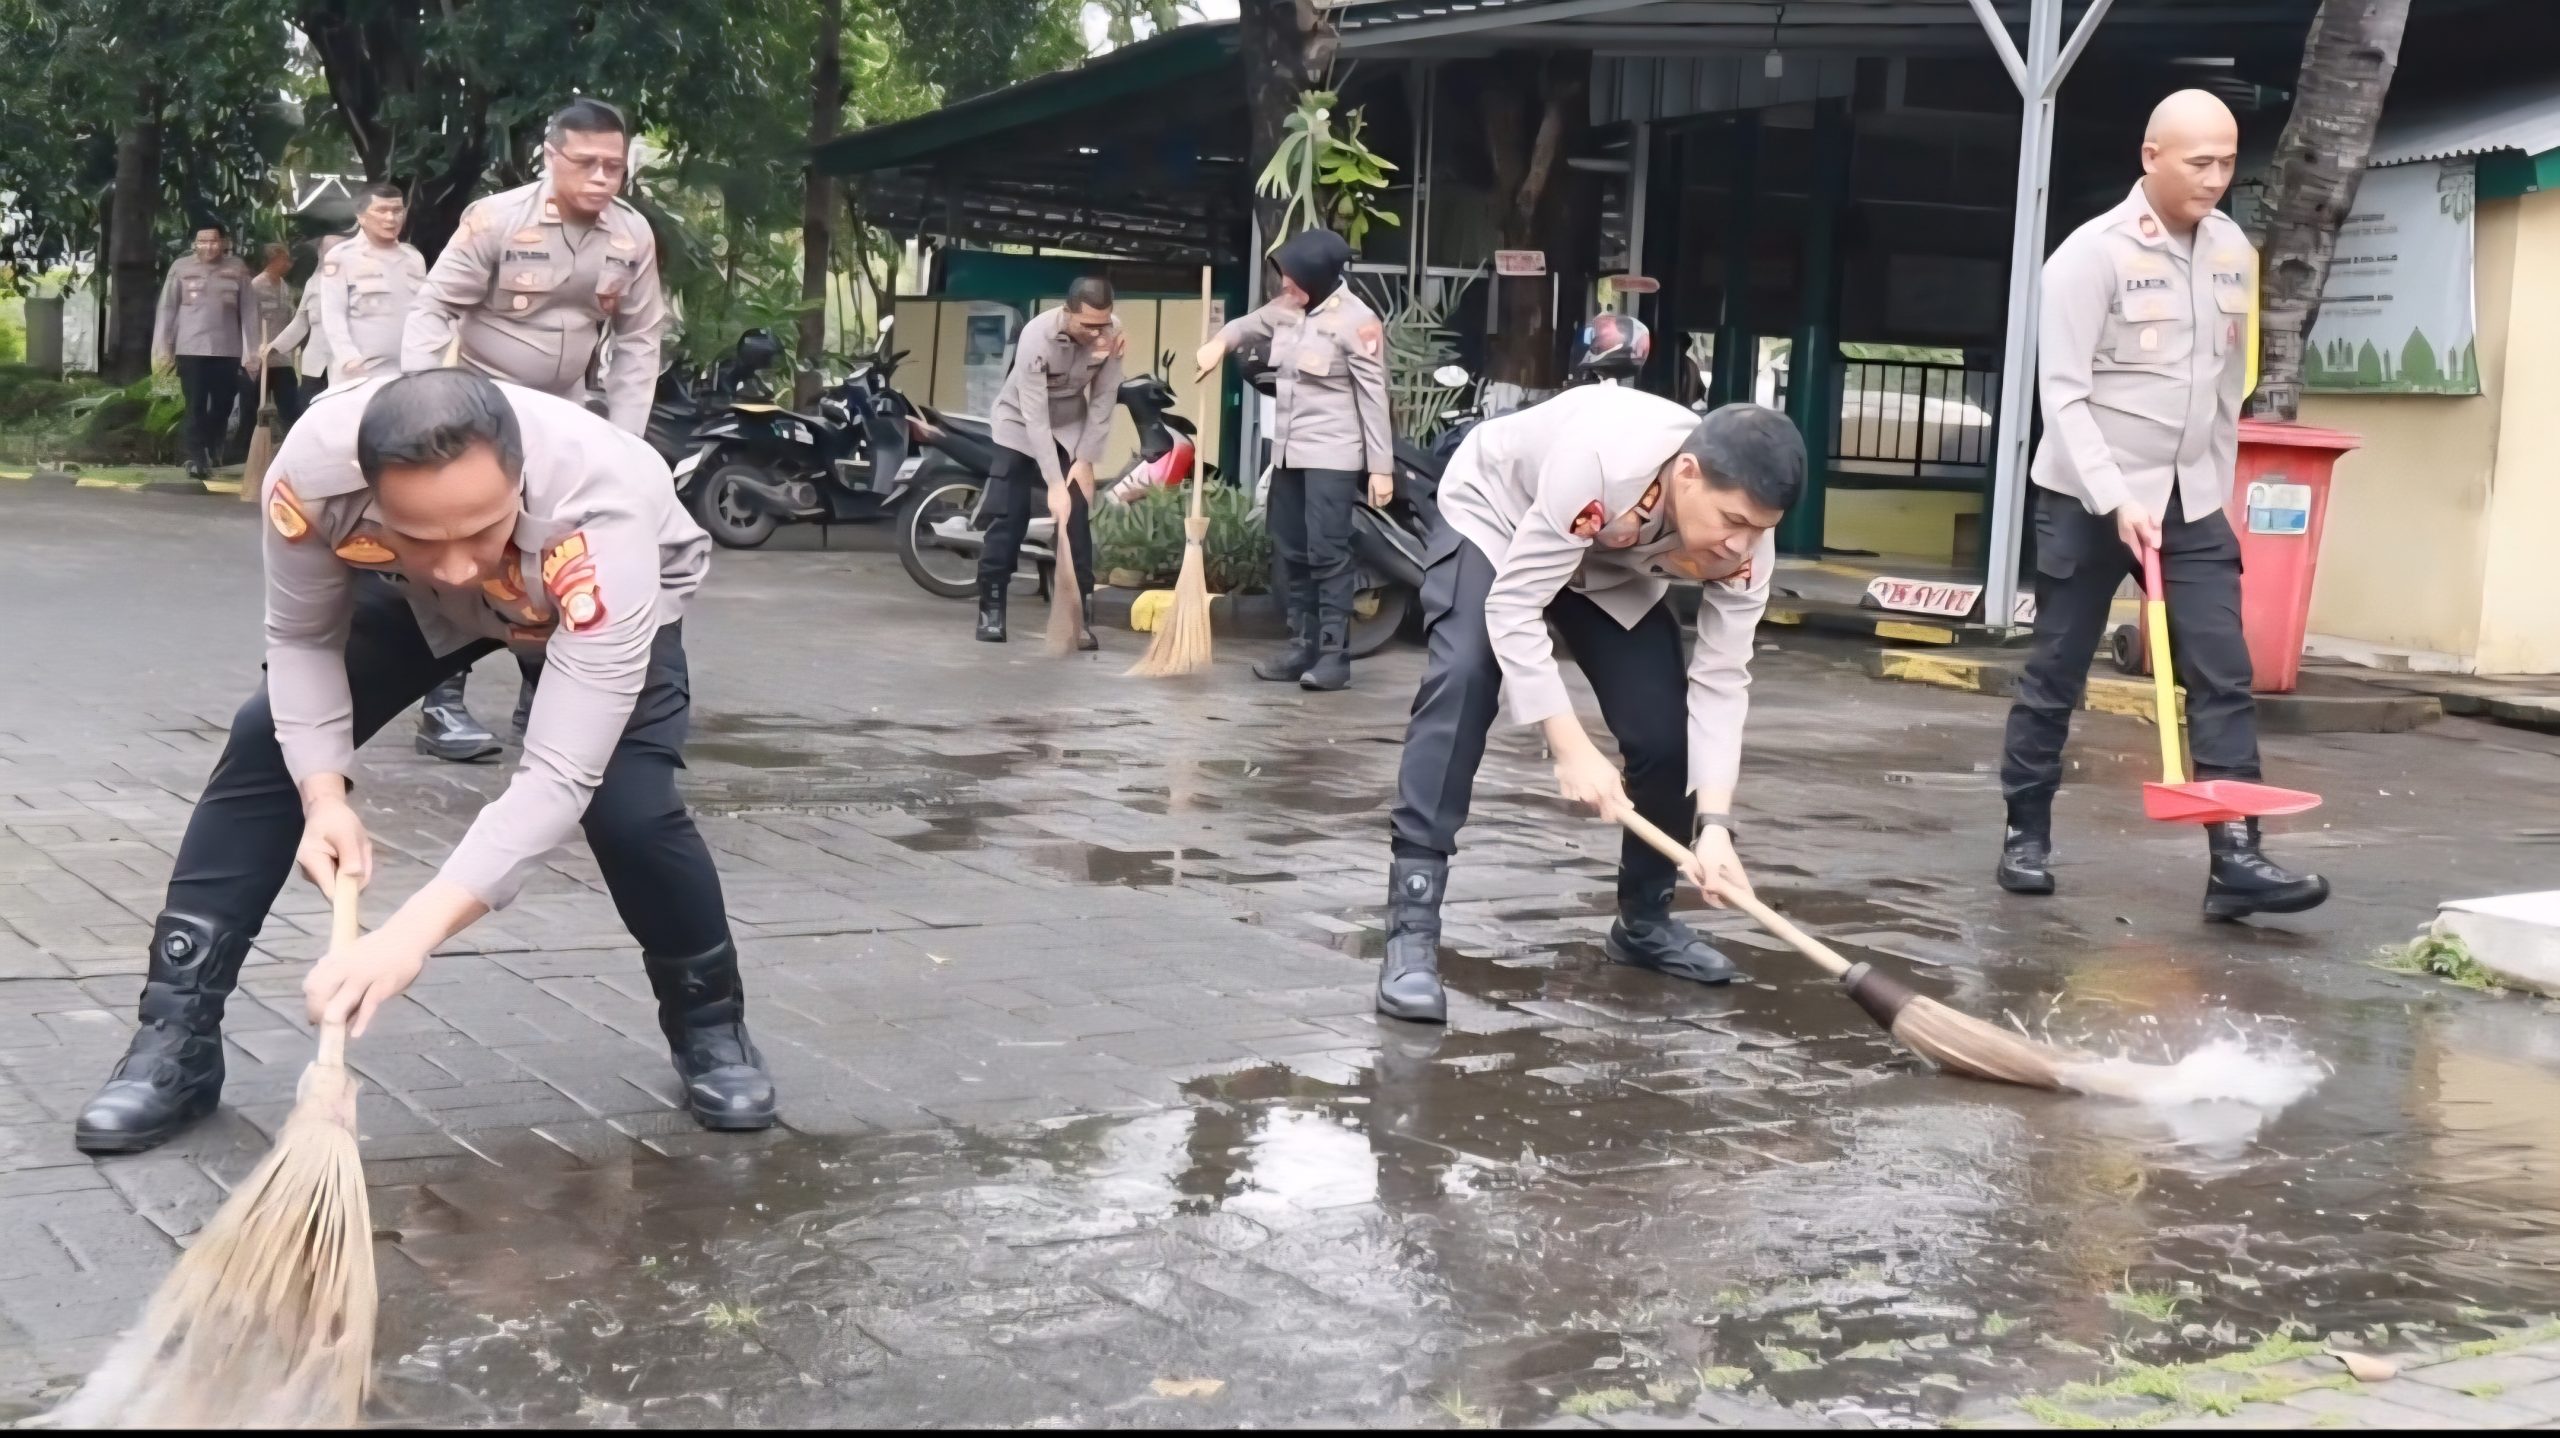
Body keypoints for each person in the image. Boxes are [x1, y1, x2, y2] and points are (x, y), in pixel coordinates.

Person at [72, 370, 776, 1155]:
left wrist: (407, 934)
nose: (455, 566)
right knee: (266, 741)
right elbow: (304, 640)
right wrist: (322, 795)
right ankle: (175, 1039)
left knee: (630, 811)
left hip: (580, 600)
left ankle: (711, 1026)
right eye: (423, 535)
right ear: (372, 492)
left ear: (518, 481)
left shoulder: (602, 511)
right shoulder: (312, 476)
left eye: (479, 529)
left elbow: (555, 777)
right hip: (408, 607)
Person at [1995, 88, 2328, 922]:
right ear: (2152, 157)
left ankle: (2237, 859)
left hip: (2191, 502)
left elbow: (2227, 378)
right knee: (2056, 673)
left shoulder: (2230, 251)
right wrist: (2116, 498)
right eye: (2199, 162)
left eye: (2227, 161)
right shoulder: (2089, 256)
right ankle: (2025, 832)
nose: (2217, 179)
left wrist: (2209, 485)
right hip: (2085, 497)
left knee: (2224, 673)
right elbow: (2063, 399)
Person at [1375, 390, 1805, 1023]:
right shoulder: (1600, 457)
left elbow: (1720, 679)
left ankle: (1645, 921)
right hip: (1501, 519)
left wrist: (1714, 825)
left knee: (1664, 732)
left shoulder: (1747, 549)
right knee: (1465, 676)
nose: (1740, 547)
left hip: (1604, 561)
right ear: (1687, 473)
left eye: (1759, 531)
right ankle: (1411, 928)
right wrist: (1570, 747)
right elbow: (1514, 607)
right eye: (1731, 522)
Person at [402, 97, 667, 763]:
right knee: (465, 554)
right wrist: (429, 403)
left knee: (560, 554)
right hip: (483, 410)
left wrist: (626, 444)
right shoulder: (495, 221)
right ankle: (441, 701)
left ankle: (541, 696)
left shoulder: (631, 237)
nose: (603, 177)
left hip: (569, 418)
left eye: (615, 165)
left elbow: (639, 340)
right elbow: (435, 308)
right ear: (551, 158)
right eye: (587, 163)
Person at [1195, 229, 1393, 691]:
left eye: (1292, 279)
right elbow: (1246, 324)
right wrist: (1219, 343)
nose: (1285, 287)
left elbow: (1373, 396)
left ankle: (1332, 654)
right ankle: (1301, 644)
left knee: (1327, 552)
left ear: (1318, 278)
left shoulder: (1357, 322)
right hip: (1287, 452)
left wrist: (1381, 467)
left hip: (1332, 454)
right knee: (1291, 550)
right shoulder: (1287, 308)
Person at [976, 276, 1123, 648]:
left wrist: (1086, 460)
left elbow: (1104, 399)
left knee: (1076, 515)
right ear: (1068, 311)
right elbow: (1034, 416)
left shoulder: (1111, 333)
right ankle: (991, 608)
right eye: (1088, 324)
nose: (1097, 331)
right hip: (1020, 423)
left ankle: (1079, 617)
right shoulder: (1035, 337)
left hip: (1070, 424)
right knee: (1010, 513)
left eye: (1103, 322)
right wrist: (1054, 483)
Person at [152, 221, 258, 479]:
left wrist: (251, 351)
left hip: (227, 349)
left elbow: (249, 311)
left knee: (222, 405)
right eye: (202, 241)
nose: (207, 246)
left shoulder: (237, 269)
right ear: (194, 244)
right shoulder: (181, 268)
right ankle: (195, 456)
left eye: (213, 241)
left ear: (224, 243)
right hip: (191, 348)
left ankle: (212, 445)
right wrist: (162, 346)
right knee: (195, 404)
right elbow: (167, 308)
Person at [318, 183, 427, 389]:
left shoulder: (414, 258)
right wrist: (349, 359)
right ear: (361, 216)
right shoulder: (341, 257)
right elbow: (333, 314)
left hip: (410, 373)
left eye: (397, 211)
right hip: (361, 374)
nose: (390, 218)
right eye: (381, 210)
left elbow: (425, 310)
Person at [266, 232, 353, 400]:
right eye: (326, 250)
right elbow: (301, 322)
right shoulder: (313, 282)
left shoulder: (360, 283)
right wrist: (275, 346)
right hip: (314, 365)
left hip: (346, 366)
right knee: (307, 410)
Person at [235, 242, 306, 446]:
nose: (289, 263)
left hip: (281, 359)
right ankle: (241, 453)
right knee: (251, 409)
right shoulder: (255, 286)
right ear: (274, 259)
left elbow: (293, 319)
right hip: (258, 360)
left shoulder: (284, 287)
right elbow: (245, 320)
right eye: (285, 259)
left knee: (291, 408)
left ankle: (295, 447)